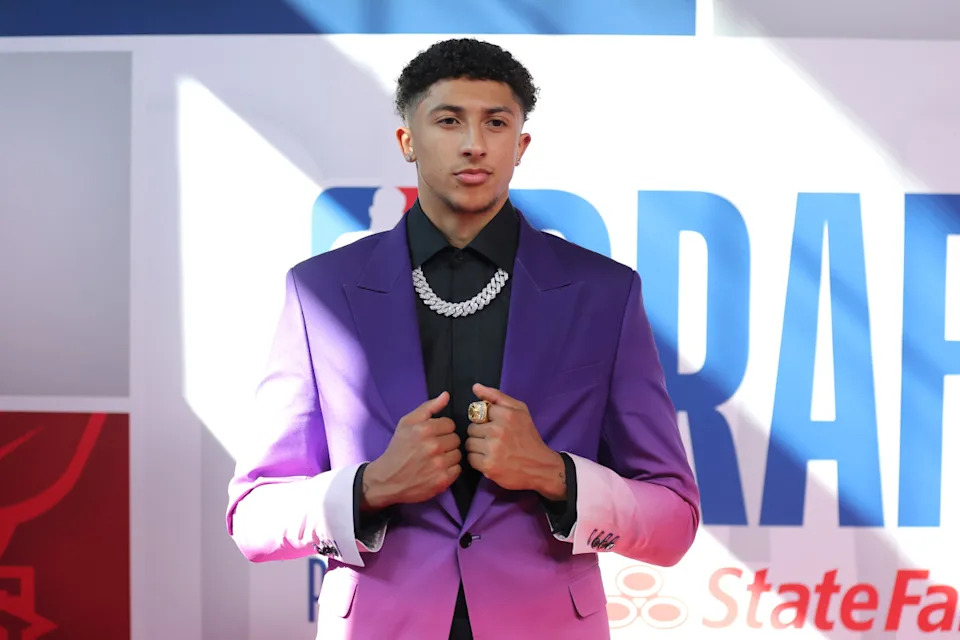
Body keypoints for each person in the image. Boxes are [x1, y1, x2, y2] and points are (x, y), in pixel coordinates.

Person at [226, 38, 700, 640]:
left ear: (520, 145)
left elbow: (674, 520)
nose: (474, 143)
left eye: (496, 122)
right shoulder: (320, 292)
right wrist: (371, 487)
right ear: (407, 141)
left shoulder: (604, 295)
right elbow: (253, 517)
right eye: (448, 120)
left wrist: (557, 475)